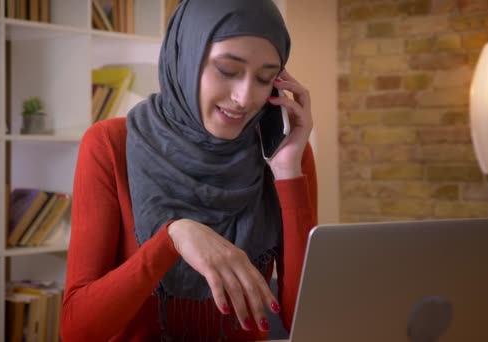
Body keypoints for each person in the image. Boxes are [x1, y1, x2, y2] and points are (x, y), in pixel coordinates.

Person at [61, 0, 317, 341]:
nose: (244, 97)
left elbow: (305, 319)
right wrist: (171, 239)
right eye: (227, 70)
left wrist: (288, 173)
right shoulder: (110, 144)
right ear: (185, 57)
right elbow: (78, 330)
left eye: (264, 78)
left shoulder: (285, 154)